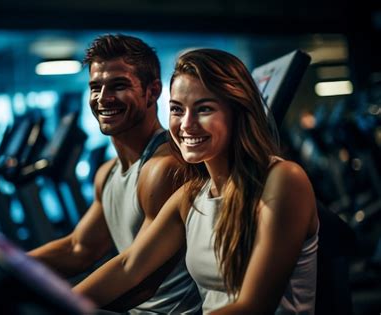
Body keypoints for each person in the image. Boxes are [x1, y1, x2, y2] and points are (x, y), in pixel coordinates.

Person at [73, 48, 319, 315]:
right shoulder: (191, 196)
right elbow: (128, 266)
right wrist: (56, 301)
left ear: (237, 112)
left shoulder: (283, 180)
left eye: (203, 109)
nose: (186, 124)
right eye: (177, 109)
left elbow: (254, 306)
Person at [28, 34, 201, 314]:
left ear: (153, 91)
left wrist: (60, 306)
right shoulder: (108, 173)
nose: (103, 98)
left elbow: (139, 277)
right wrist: (10, 264)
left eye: (119, 86)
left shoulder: (164, 167)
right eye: (95, 87)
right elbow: (79, 249)